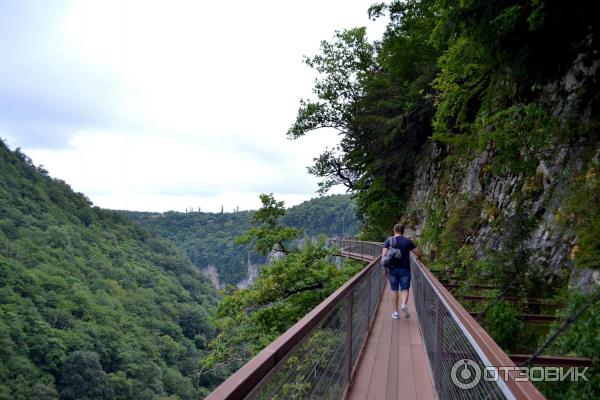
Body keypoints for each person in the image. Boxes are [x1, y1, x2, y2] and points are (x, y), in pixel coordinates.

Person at [382, 223, 422, 319]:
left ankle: (395, 312)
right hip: (405, 269)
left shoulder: (389, 241)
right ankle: (404, 304)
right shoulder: (408, 242)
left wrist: (385, 270)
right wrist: (419, 258)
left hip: (392, 269)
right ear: (403, 231)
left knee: (394, 290)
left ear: (394, 230)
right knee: (405, 289)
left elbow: (383, 257)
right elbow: (418, 252)